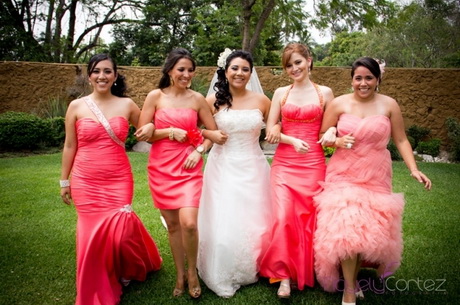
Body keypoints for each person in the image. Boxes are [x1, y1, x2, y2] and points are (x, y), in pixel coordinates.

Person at [313, 57, 432, 305]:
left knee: (363, 233)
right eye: (358, 78)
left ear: (378, 79)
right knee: (347, 230)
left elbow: (401, 140)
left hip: (376, 173)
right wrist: (335, 140)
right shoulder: (338, 104)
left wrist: (413, 169)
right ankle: (349, 291)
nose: (363, 83)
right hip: (344, 173)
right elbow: (322, 135)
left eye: (369, 78)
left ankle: (354, 277)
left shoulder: (389, 105)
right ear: (352, 80)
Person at [60, 54, 162, 305]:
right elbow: (70, 145)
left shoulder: (126, 104)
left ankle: (129, 266)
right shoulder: (77, 106)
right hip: (85, 179)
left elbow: (148, 132)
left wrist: (152, 128)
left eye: (107, 71)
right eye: (96, 71)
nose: (102, 76)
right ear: (89, 76)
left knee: (120, 234)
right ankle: (100, 281)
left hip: (118, 178)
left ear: (115, 76)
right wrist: (65, 181)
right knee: (91, 236)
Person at [137, 48, 217, 299]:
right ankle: (180, 274)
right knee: (173, 227)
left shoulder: (197, 99)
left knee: (189, 224)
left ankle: (193, 272)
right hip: (161, 168)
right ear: (170, 70)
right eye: (181, 69)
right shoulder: (155, 97)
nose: (186, 74)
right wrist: (168, 132)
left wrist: (199, 150)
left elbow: (212, 134)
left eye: (190, 70)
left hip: (189, 167)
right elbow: (142, 133)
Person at [259, 42, 335, 298]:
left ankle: (309, 269)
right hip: (284, 164)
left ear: (309, 60)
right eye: (289, 65)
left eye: (298, 62)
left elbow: (329, 128)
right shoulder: (281, 93)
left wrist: (332, 132)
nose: (294, 68)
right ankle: (283, 276)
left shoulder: (325, 93)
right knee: (283, 218)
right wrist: (290, 139)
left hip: (313, 164)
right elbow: (270, 131)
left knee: (307, 219)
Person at [197, 50, 272, 298]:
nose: (240, 73)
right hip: (223, 166)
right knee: (225, 216)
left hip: (254, 166)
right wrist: (206, 141)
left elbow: (276, 125)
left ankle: (259, 264)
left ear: (251, 73)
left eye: (245, 69)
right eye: (235, 68)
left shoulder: (262, 101)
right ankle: (224, 268)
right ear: (225, 71)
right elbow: (200, 131)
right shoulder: (211, 101)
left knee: (255, 217)